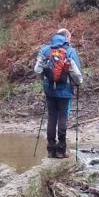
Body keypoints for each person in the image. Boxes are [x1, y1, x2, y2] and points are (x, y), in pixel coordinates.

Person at [33, 28, 83, 158]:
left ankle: (50, 149)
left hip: (49, 90)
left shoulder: (46, 50)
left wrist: (46, 77)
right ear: (66, 37)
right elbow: (76, 74)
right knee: (62, 118)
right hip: (65, 91)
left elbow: (37, 70)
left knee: (51, 118)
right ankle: (61, 150)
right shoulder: (70, 51)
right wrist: (77, 83)